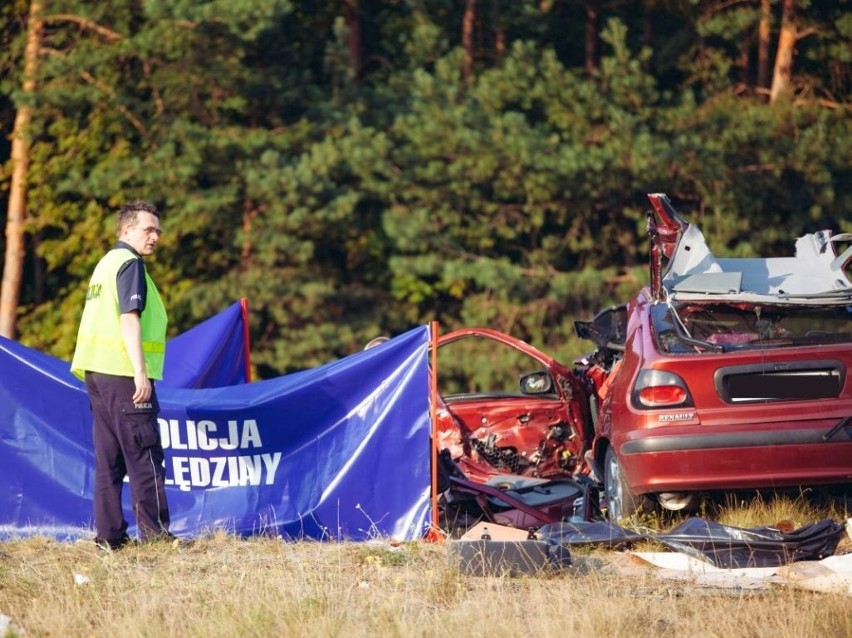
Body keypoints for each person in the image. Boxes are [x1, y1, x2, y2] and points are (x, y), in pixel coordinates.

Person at [71, 200, 171, 549]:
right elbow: (130, 318)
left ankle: (110, 538)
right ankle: (156, 537)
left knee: (109, 460)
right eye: (148, 229)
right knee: (144, 455)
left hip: (97, 373)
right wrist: (140, 373)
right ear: (127, 229)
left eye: (157, 230)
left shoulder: (104, 264)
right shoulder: (130, 264)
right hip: (124, 374)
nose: (155, 236)